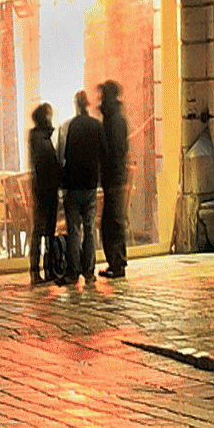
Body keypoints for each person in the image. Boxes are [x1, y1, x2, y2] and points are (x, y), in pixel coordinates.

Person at [58, 89, 106, 287]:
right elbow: (103, 153)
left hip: (73, 184)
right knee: (89, 227)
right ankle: (89, 271)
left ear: (76, 104)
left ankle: (73, 271)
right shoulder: (96, 126)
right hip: (90, 184)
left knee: (74, 229)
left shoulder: (71, 126)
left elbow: (66, 155)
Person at [97, 78, 130, 281]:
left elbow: (115, 150)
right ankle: (116, 262)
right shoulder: (113, 118)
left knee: (113, 221)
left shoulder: (114, 119)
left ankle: (117, 263)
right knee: (111, 221)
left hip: (113, 177)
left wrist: (110, 171)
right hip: (113, 176)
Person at [27, 101, 62, 284]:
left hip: (47, 189)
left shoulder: (42, 137)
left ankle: (48, 268)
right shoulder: (39, 137)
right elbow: (46, 163)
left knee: (48, 230)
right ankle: (37, 270)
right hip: (44, 191)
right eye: (48, 115)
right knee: (41, 230)